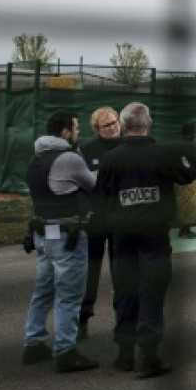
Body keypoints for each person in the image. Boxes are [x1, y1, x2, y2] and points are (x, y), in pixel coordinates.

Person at [95, 102, 193, 379]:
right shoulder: (163, 154)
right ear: (148, 123)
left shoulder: (113, 158)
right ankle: (148, 356)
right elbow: (187, 176)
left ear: (124, 126)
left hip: (123, 233)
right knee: (152, 291)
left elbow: (101, 196)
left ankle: (124, 354)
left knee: (126, 290)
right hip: (153, 233)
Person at [22, 109, 99, 373]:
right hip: (68, 234)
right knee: (69, 295)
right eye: (76, 129)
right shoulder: (68, 158)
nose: (78, 133)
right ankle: (66, 351)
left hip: (43, 233)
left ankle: (33, 343)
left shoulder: (37, 157)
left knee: (43, 291)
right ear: (65, 131)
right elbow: (93, 185)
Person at [77, 105, 122, 342]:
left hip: (120, 220)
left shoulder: (127, 148)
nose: (113, 127)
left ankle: (122, 320)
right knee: (90, 272)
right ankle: (82, 319)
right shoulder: (86, 149)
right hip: (95, 219)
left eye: (115, 122)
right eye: (107, 125)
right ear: (97, 129)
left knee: (121, 271)